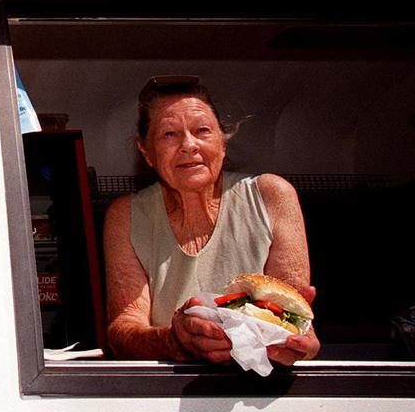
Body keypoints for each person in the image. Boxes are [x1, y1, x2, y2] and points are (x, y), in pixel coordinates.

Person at [102, 75, 320, 365]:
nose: (189, 145)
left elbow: (292, 318)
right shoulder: (125, 216)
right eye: (169, 134)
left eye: (202, 130)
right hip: (166, 393)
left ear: (223, 142)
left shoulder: (272, 196)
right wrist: (173, 341)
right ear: (147, 152)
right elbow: (123, 331)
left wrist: (297, 341)